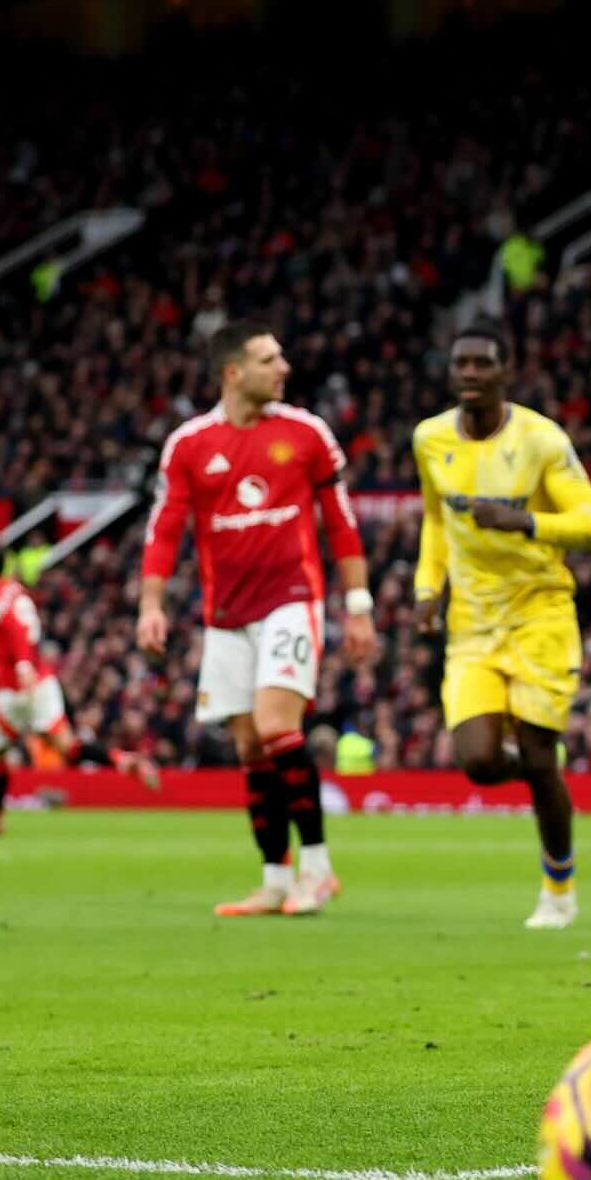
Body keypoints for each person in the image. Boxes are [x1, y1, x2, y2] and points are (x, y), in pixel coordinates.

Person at [139, 322, 377, 916]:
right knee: (248, 746)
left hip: (291, 601)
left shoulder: (306, 434)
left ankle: (317, 870)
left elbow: (342, 524)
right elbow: (164, 530)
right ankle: (274, 879)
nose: (284, 367)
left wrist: (359, 606)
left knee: (277, 726)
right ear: (233, 372)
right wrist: (151, 604)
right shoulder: (190, 445)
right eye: (270, 359)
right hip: (226, 615)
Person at [413, 324, 591, 928]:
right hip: (471, 623)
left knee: (532, 747)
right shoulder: (429, 439)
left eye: (482, 364)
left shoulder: (541, 440)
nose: (469, 374)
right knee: (478, 760)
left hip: (540, 614)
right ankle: (545, 771)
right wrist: (428, 588)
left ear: (504, 372)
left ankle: (559, 888)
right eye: (461, 364)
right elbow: (433, 521)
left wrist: (525, 523)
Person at [0, 557, 156, 834]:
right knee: (68, 747)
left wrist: (22, 663)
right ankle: (120, 760)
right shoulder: (16, 590)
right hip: (43, 679)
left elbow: (14, 626)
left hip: (13, 686)